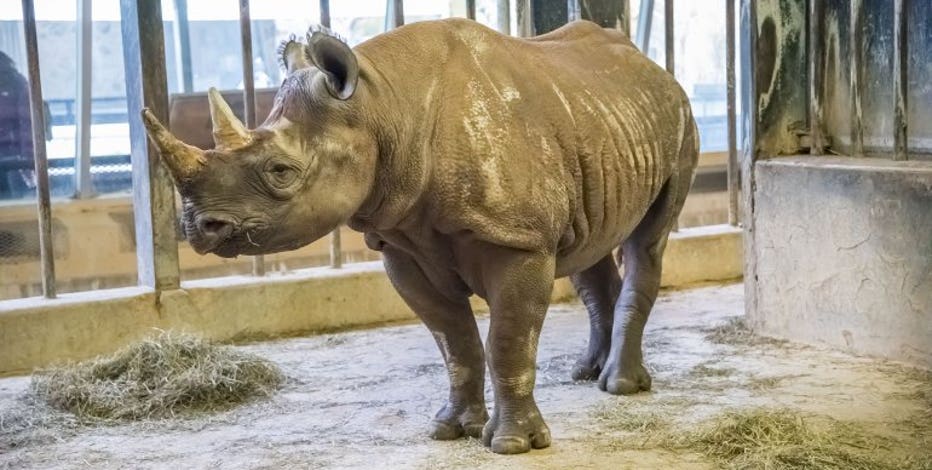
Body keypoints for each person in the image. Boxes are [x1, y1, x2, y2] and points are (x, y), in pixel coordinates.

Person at [0, 50, 36, 200]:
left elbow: (27, 124)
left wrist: (28, 159)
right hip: (13, 154)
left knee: (13, 200)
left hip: (12, 155)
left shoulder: (16, 84)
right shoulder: (18, 83)